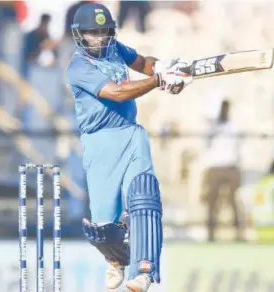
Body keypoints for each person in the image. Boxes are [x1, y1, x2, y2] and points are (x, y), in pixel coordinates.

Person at [66, 3, 192, 291]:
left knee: (143, 195)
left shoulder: (115, 48)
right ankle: (116, 259)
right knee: (102, 227)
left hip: (130, 134)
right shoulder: (78, 66)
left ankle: (144, 270)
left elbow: (144, 63)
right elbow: (117, 92)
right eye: (92, 33)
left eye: (104, 31)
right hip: (99, 141)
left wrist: (165, 69)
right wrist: (159, 81)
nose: (99, 37)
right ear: (79, 35)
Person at [201, 99, 242, 242]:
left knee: (233, 201)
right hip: (215, 167)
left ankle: (238, 233)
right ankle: (211, 234)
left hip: (231, 166)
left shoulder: (234, 126)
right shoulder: (211, 127)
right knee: (212, 202)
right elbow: (205, 144)